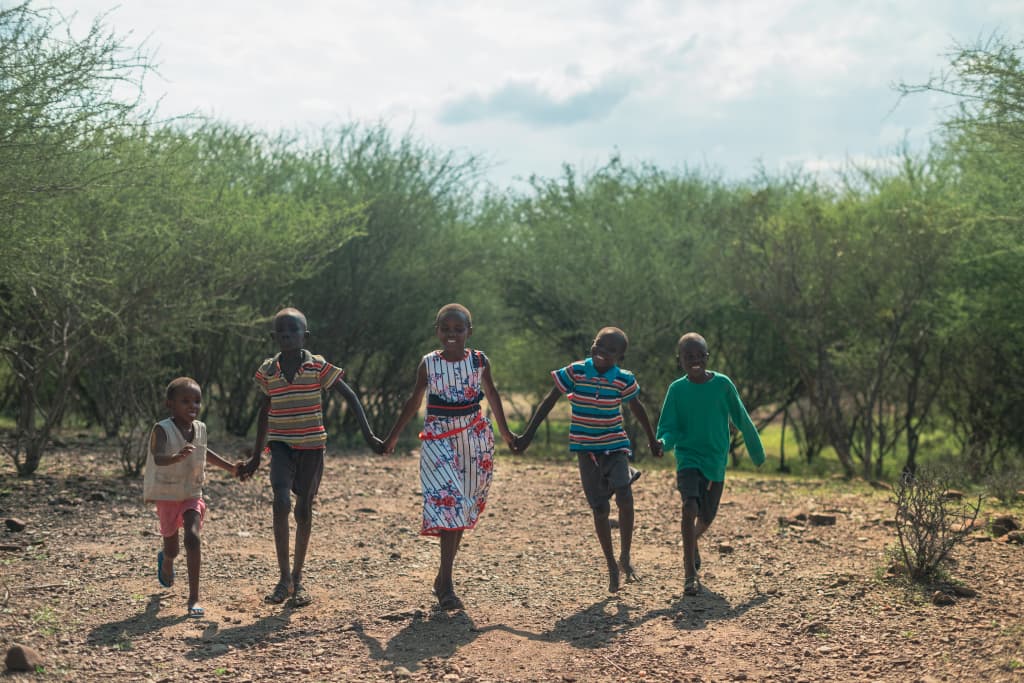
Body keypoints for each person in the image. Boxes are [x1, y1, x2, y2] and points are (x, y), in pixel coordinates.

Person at [238, 307, 384, 607]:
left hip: (312, 446)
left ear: (305, 335)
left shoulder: (318, 367)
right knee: (280, 501)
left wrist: (369, 435)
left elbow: (350, 395)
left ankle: (298, 577)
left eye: (293, 332)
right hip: (280, 444)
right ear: (274, 337)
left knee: (303, 510)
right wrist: (255, 455)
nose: (288, 337)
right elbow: (265, 410)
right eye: (282, 333)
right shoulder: (268, 370)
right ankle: (283, 579)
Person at [383, 303, 517, 611]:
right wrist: (392, 436)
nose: (452, 335)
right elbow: (415, 400)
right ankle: (447, 585)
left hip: (474, 440)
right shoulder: (428, 363)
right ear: (437, 332)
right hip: (437, 440)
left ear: (470, 331)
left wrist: (507, 434)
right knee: (451, 504)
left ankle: (441, 579)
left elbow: (492, 395)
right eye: (446, 329)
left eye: (459, 329)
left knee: (463, 506)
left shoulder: (480, 362)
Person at [516, 326, 663, 593]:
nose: (601, 351)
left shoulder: (624, 379)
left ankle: (625, 556)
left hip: (615, 444)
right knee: (600, 510)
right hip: (585, 449)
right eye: (598, 344)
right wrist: (528, 434)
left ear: (620, 356)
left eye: (610, 349)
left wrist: (652, 440)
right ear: (592, 345)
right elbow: (550, 400)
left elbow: (636, 408)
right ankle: (610, 564)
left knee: (625, 495)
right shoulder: (576, 371)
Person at [656, 332, 765, 597]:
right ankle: (689, 574)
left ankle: (690, 542)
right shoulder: (677, 389)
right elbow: (669, 427)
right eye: (687, 356)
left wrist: (756, 451)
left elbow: (740, 416)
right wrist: (662, 443)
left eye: (698, 356)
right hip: (688, 457)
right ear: (679, 360)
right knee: (689, 505)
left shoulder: (722, 385)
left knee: (707, 517)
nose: (694, 360)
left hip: (715, 459)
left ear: (707, 357)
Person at [144, 376, 243, 618]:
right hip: (167, 494)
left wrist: (230, 468)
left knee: (193, 537)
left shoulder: (200, 429)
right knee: (173, 549)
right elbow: (158, 457)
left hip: (191, 491)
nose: (193, 407)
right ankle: (167, 560)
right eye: (185, 401)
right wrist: (176, 457)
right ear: (170, 404)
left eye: (197, 402)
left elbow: (204, 452)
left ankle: (194, 596)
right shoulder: (162, 429)